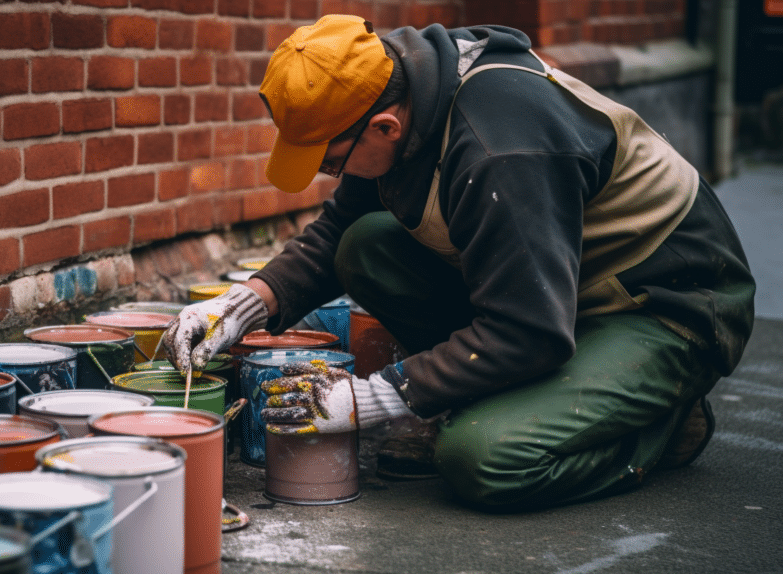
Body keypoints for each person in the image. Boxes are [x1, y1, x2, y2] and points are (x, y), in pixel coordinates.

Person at [160, 14, 756, 512]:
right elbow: (340, 228)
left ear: (385, 126)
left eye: (331, 163)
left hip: (666, 304)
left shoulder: (501, 147)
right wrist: (243, 305)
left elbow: (529, 331)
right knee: (364, 246)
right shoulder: (397, 85)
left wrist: (377, 396)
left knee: (484, 459)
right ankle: (507, 395)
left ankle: (665, 427)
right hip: (555, 290)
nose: (328, 176)